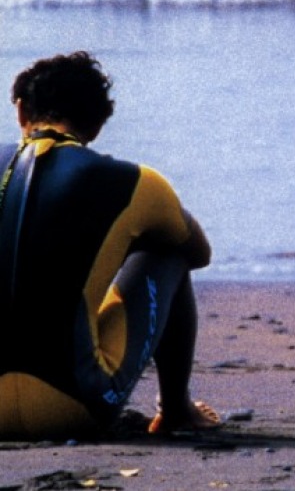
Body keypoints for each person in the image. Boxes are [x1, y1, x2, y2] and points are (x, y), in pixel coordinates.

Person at [0, 52, 220, 438]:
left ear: (21, 113)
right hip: (71, 407)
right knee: (168, 251)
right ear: (98, 125)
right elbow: (198, 251)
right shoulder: (134, 181)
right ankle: (176, 410)